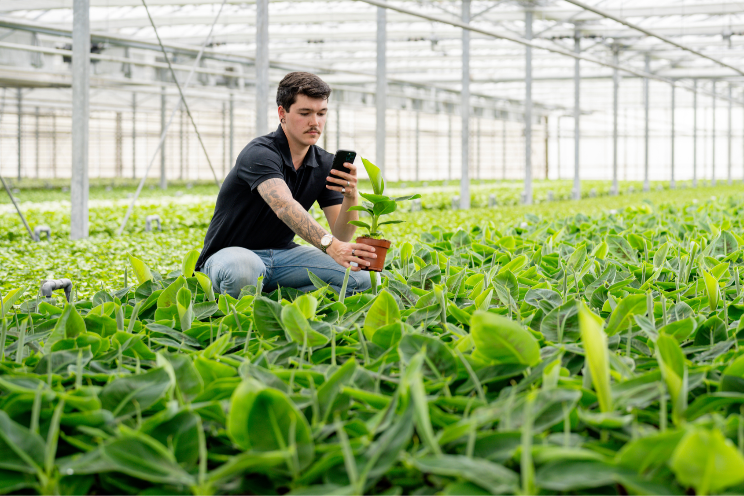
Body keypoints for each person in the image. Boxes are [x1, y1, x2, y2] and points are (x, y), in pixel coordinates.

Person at [195, 72, 374, 298]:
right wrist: (330, 246)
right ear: (282, 113)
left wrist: (351, 196)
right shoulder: (260, 153)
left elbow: (342, 235)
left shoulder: (325, 164)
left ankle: (276, 297)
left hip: (283, 257)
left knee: (361, 277)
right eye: (305, 113)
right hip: (232, 254)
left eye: (321, 113)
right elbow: (283, 205)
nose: (315, 122)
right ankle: (264, 296)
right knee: (242, 270)